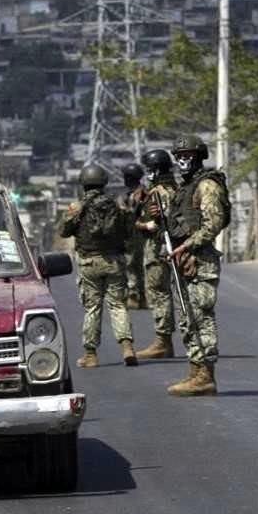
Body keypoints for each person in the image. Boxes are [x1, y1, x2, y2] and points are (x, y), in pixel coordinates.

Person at [154, 135, 230, 396]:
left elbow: (212, 224)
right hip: (183, 259)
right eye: (179, 156)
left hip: (201, 260)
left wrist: (186, 246)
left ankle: (206, 375)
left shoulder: (207, 185)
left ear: (199, 157)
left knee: (202, 318)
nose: (183, 160)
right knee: (188, 319)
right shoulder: (184, 188)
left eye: (188, 155)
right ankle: (195, 370)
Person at [58, 164, 137, 368]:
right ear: (104, 182)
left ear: (83, 183)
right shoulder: (117, 206)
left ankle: (91, 355)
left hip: (89, 263)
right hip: (115, 262)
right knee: (118, 305)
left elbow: (63, 231)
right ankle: (127, 348)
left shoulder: (77, 207)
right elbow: (129, 232)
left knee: (92, 307)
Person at [134, 149, 178, 359]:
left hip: (159, 250)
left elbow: (161, 222)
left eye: (149, 170)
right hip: (170, 249)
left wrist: (143, 225)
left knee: (159, 293)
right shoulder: (175, 188)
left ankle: (163, 341)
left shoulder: (160, 192)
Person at [121, 162, 147, 309]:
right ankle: (139, 294)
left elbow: (132, 214)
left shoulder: (141, 195)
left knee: (132, 265)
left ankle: (134, 294)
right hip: (132, 234)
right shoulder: (131, 194)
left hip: (137, 234)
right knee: (134, 266)